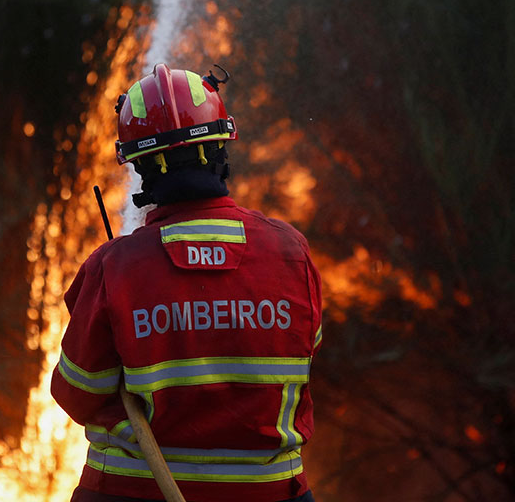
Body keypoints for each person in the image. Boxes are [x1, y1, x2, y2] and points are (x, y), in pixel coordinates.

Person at [51, 63, 322, 502]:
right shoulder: (292, 254)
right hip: (271, 493)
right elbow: (303, 358)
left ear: (139, 165)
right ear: (220, 144)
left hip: (132, 492)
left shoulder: (114, 267)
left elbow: (77, 394)